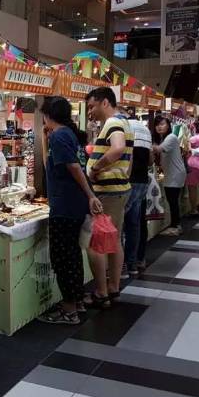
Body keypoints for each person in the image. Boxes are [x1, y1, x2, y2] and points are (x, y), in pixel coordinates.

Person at [37, 97, 102, 325]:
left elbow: (74, 168)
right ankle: (77, 301)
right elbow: (50, 166)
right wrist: (44, 139)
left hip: (65, 205)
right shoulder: (66, 135)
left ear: (48, 115)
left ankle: (69, 309)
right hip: (70, 204)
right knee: (72, 255)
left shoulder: (60, 136)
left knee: (62, 258)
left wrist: (91, 195)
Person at [84, 87, 133, 309]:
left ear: (105, 102)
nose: (90, 112)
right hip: (117, 189)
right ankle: (113, 288)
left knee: (96, 243)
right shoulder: (123, 122)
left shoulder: (113, 123)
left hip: (108, 192)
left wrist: (96, 168)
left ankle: (101, 293)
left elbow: (118, 148)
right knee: (114, 240)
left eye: (92, 106)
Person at [122, 110, 152, 279]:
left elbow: (126, 155)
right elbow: (150, 160)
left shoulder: (123, 126)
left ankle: (121, 267)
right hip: (142, 180)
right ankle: (132, 264)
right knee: (134, 224)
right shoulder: (145, 129)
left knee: (119, 225)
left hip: (127, 180)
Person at [152, 116, 187, 236]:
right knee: (172, 200)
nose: (159, 127)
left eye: (162, 124)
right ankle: (174, 224)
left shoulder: (171, 137)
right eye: (157, 125)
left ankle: (176, 226)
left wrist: (144, 143)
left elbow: (159, 149)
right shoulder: (165, 138)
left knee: (172, 200)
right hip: (171, 173)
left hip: (175, 174)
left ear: (168, 125)